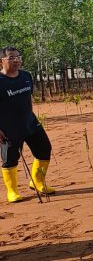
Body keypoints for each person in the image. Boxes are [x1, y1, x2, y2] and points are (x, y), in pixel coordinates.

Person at [0, 46, 55, 203]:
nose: (16, 60)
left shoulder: (26, 76)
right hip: (8, 129)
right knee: (10, 159)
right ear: (1, 61)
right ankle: (13, 191)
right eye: (11, 58)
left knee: (44, 150)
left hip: (30, 123)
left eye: (18, 57)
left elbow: (27, 99)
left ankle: (37, 182)